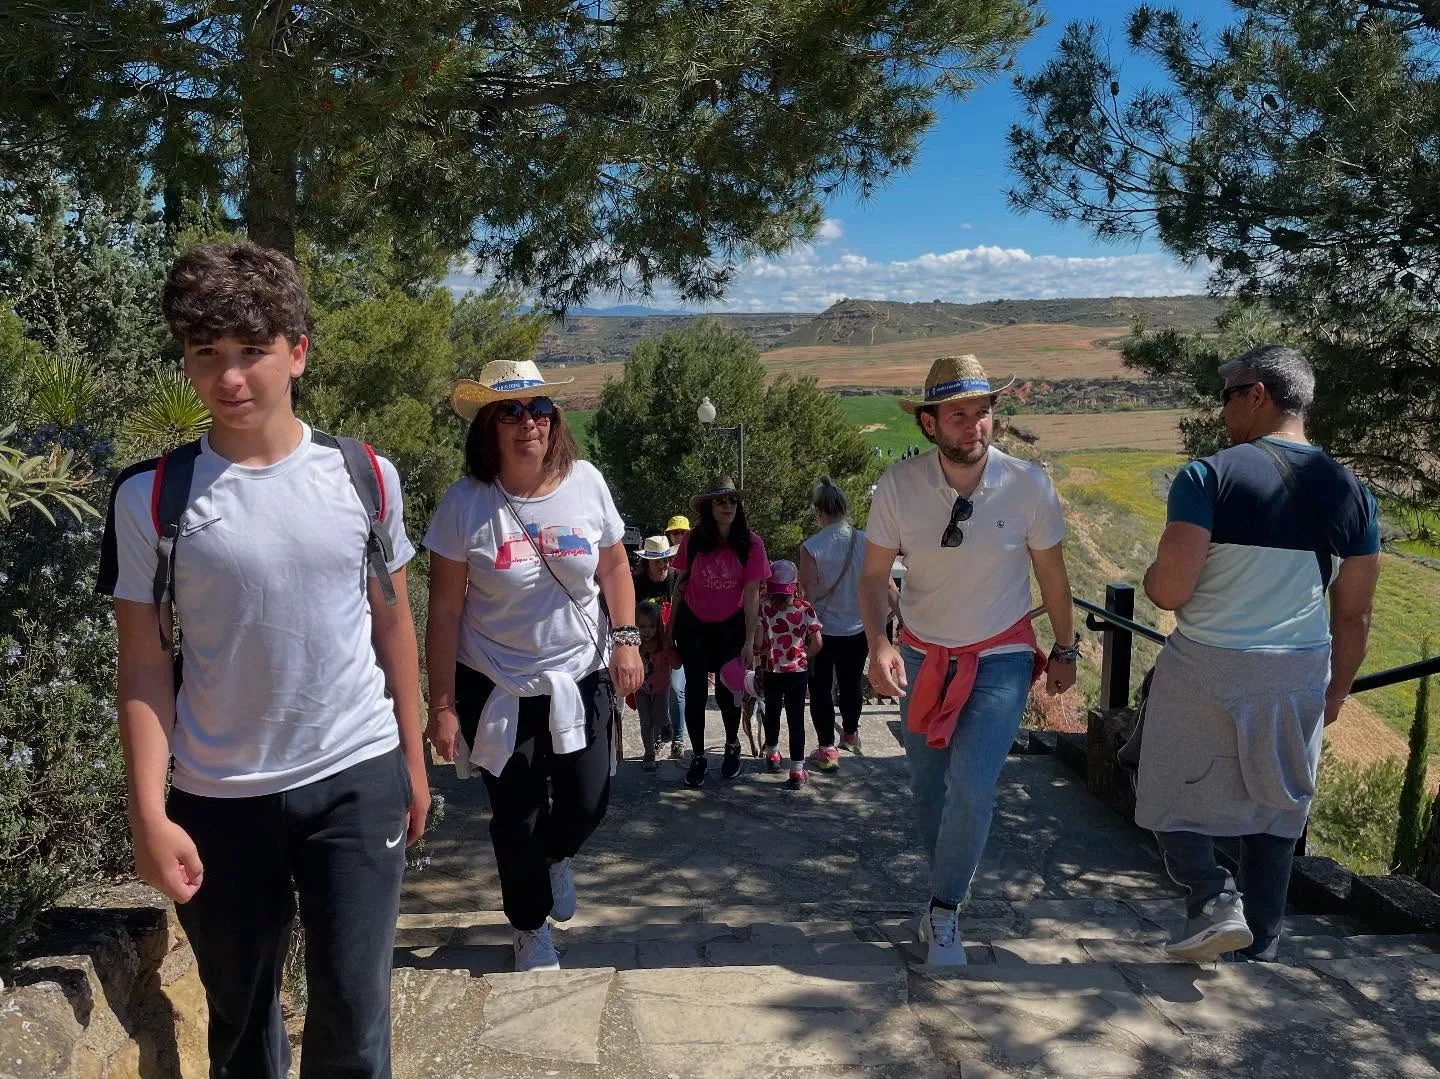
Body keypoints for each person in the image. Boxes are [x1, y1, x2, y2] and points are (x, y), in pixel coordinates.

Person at [98, 241, 427, 1078]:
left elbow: (394, 628)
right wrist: (147, 811)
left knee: (353, 1025)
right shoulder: (150, 497)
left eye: (253, 351)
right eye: (207, 354)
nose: (231, 376)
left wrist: (413, 764)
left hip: (356, 772)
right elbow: (142, 661)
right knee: (242, 1030)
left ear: (298, 353)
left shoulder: (366, 477)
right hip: (219, 797)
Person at [1135, 345, 1380, 964]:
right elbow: (1354, 613)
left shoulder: (1206, 476)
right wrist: (1338, 690)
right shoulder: (1353, 492)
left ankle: (1213, 897)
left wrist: (1150, 575)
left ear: (1258, 394)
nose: (1221, 413)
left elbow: (1171, 590)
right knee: (1278, 804)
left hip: (1208, 662)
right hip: (1298, 668)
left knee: (1161, 783)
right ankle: (1263, 948)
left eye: (1227, 396)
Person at [423, 358, 643, 972]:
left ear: (556, 419)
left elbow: (616, 567)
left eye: (541, 409)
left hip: (582, 670)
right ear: (489, 426)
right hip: (494, 682)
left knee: (587, 801)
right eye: (512, 412)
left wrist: (626, 638)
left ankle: (551, 859)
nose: (530, 423)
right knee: (515, 817)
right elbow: (443, 611)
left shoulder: (587, 483)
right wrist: (441, 705)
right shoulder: (465, 504)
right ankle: (529, 924)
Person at [860, 354, 1078, 967]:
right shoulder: (899, 488)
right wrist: (879, 644)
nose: (974, 426)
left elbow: (1053, 577)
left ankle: (946, 909)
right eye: (958, 415)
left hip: (1001, 655)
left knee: (974, 787)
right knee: (930, 794)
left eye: (982, 412)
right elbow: (874, 576)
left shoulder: (1029, 485)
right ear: (929, 423)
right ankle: (941, 891)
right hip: (923, 656)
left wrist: (1066, 648)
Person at [668, 477, 770, 787]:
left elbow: (752, 594)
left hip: (731, 626)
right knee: (696, 692)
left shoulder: (751, 543)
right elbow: (678, 587)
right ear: (709, 506)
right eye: (720, 501)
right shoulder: (695, 539)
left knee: (729, 694)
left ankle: (731, 746)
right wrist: (669, 633)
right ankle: (698, 756)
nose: (727, 506)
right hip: (694, 625)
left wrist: (751, 641)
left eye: (732, 501)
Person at [798, 475, 867, 763]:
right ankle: (849, 734)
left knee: (821, 688)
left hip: (822, 632)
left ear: (818, 511)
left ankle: (827, 748)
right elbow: (883, 585)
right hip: (857, 628)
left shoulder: (811, 547)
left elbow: (808, 597)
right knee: (852, 684)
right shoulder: (865, 541)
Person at [755, 560, 824, 789]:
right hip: (797, 672)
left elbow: (757, 641)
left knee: (772, 713)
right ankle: (796, 770)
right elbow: (818, 643)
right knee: (796, 721)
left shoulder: (763, 607)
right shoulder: (805, 608)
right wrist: (803, 654)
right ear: (793, 586)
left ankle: (773, 754)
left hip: (771, 669)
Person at [633, 534, 685, 759]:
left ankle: (678, 740)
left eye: (666, 559)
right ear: (647, 562)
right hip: (645, 647)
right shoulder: (637, 583)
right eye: (658, 561)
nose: (664, 565)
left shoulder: (675, 578)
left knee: (676, 690)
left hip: (672, 644)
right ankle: (653, 744)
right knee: (646, 694)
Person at [663, 514, 692, 752]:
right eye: (675, 532)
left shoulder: (696, 557)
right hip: (665, 632)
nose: (679, 536)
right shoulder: (664, 561)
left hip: (690, 631)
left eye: (683, 532)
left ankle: (679, 738)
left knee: (679, 689)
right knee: (667, 689)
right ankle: (670, 733)